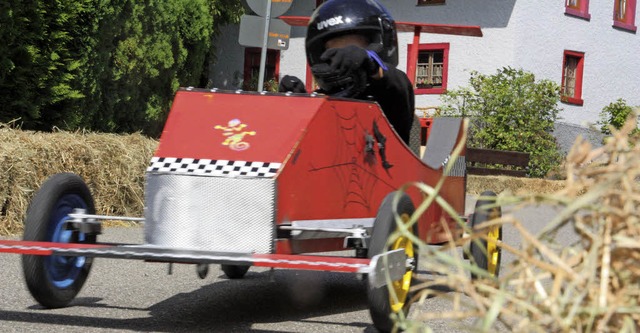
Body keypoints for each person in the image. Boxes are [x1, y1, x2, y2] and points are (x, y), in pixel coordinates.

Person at [278, 0, 415, 145]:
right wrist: (298, 105)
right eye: (334, 53)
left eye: (351, 51)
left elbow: (396, 83)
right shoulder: (324, 98)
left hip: (384, 166)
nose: (342, 60)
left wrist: (370, 63)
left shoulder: (393, 94)